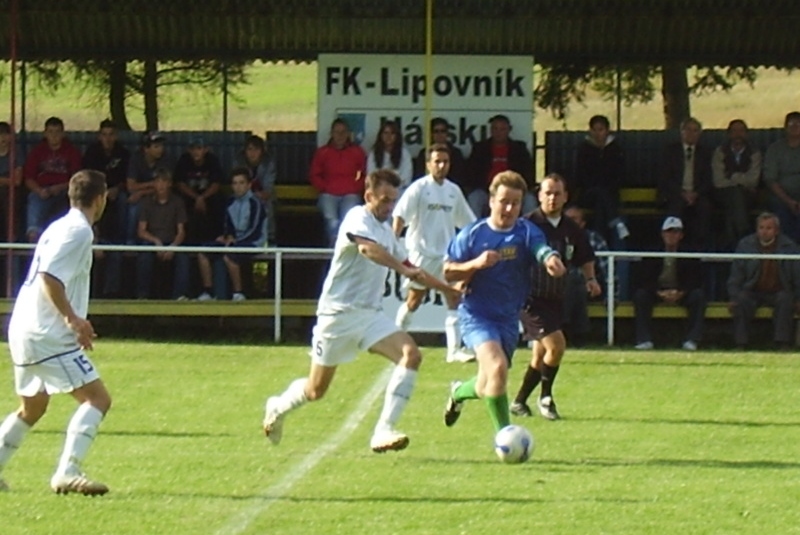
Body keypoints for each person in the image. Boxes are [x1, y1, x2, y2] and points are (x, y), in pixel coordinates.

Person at [263, 168, 459, 453]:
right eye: (384, 200)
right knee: (316, 390)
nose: (389, 206)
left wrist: (447, 289)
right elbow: (369, 251)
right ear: (369, 196)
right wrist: (402, 268)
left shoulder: (386, 231)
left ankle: (383, 430)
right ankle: (278, 407)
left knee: (411, 355)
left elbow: (414, 271)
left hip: (369, 315)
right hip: (337, 316)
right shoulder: (357, 217)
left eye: (393, 200)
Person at [0, 169, 111, 496]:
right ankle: (67, 471)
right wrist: (73, 319)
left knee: (32, 408)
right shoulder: (79, 231)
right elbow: (50, 276)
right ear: (100, 199)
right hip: (47, 332)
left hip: (23, 327)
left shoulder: (59, 226)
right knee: (98, 399)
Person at [442, 171, 565, 437]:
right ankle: (506, 436)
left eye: (516, 203)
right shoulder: (473, 234)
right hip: (477, 315)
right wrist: (475, 264)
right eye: (504, 201)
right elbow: (448, 271)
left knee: (488, 382)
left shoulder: (525, 231)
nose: (509, 208)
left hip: (508, 319)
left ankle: (458, 392)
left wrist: (550, 259)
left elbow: (540, 248)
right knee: (497, 368)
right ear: (491, 200)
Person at [508, 174, 601, 420]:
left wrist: (591, 279)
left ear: (565, 197)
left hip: (556, 298)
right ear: (539, 196)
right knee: (557, 345)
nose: (552, 198)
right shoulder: (527, 225)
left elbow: (585, 256)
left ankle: (518, 402)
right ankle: (546, 398)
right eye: (547, 193)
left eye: (557, 193)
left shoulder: (571, 228)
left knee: (540, 355)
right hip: (530, 298)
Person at [392, 143, 476, 363]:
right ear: (428, 164)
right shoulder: (418, 188)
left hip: (447, 256)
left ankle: (454, 350)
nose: (441, 165)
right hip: (421, 255)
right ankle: (395, 340)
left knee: (454, 296)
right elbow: (400, 216)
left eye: (445, 162)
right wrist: (392, 241)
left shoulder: (453, 191)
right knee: (414, 301)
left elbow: (467, 223)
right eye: (437, 161)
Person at [632, 216, 707, 350]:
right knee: (641, 295)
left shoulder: (690, 252)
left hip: (681, 291)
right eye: (668, 231)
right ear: (662, 234)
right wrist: (659, 292)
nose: (671, 235)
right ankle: (644, 340)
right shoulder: (652, 251)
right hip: (657, 291)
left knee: (698, 296)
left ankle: (692, 340)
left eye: (676, 232)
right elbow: (643, 278)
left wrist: (681, 292)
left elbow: (696, 278)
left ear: (681, 235)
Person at [727, 212, 800, 350]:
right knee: (741, 300)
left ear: (776, 230)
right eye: (761, 228)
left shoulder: (790, 247)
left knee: (786, 299)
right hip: (752, 290)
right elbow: (736, 275)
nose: (764, 232)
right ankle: (741, 344)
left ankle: (782, 343)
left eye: (768, 228)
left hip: (779, 290)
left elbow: (798, 276)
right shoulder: (745, 245)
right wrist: (733, 296)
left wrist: (799, 298)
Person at [196, 167, 267, 302]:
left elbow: (254, 230)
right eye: (235, 183)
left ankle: (238, 293)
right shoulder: (229, 202)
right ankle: (208, 292)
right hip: (233, 242)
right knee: (202, 252)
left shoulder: (256, 203)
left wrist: (235, 241)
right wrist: (226, 236)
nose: (238, 187)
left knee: (230, 256)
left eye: (241, 183)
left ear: (249, 185)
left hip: (253, 242)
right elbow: (227, 225)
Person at [82, 119, 130, 297]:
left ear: (115, 136)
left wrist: (116, 189)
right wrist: (100, 193)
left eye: (111, 135)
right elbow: (85, 179)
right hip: (95, 196)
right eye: (104, 135)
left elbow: (128, 180)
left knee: (126, 200)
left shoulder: (123, 154)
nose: (108, 139)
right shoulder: (92, 153)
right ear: (99, 136)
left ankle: (125, 239)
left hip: (116, 196)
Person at [561, 205, 615, 347]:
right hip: (557, 287)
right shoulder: (557, 238)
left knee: (575, 282)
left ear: (583, 223)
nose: (569, 222)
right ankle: (580, 334)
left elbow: (607, 269)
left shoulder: (594, 239)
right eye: (566, 219)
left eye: (574, 219)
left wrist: (612, 297)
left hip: (592, 286)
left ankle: (565, 329)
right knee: (573, 282)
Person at [309, 118, 367, 247]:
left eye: (343, 132)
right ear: (331, 134)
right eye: (336, 132)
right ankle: (333, 249)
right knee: (332, 221)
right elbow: (314, 174)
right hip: (328, 194)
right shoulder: (323, 152)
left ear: (348, 134)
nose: (340, 136)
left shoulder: (357, 152)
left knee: (348, 220)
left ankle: (346, 248)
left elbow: (365, 174)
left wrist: (355, 187)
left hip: (350, 194)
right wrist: (324, 188)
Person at [23, 117, 82, 243]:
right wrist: (39, 191)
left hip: (66, 192)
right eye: (50, 132)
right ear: (45, 133)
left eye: (57, 132)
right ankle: (33, 235)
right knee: (33, 198)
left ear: (63, 134)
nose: (54, 136)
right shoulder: (37, 152)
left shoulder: (72, 151)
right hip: (42, 192)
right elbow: (28, 178)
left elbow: (77, 178)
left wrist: (60, 187)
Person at [658, 117, 713, 249]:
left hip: (697, 195)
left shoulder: (705, 153)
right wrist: (682, 193)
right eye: (688, 130)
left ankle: (699, 248)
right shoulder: (670, 151)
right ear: (681, 132)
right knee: (675, 208)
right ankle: (672, 247)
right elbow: (665, 178)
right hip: (675, 194)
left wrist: (696, 194)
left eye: (695, 131)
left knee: (705, 209)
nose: (691, 134)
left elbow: (708, 179)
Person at [574, 114, 630, 246]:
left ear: (607, 130)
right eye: (595, 130)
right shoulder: (584, 149)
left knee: (601, 203)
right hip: (588, 193)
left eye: (601, 129)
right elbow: (581, 175)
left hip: (609, 194)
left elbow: (620, 175)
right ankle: (616, 221)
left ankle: (600, 240)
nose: (598, 133)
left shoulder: (616, 150)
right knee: (600, 194)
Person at [464, 114, 536, 217]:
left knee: (529, 200)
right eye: (495, 129)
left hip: (514, 189)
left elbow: (528, 172)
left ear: (509, 130)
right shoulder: (480, 148)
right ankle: (475, 230)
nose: (498, 132)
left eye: (502, 129)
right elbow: (471, 172)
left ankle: (529, 230)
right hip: (486, 190)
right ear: (491, 130)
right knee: (474, 198)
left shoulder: (519, 148)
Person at [135, 168, 190, 300]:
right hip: (152, 242)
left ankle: (180, 295)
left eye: (164, 181)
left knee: (183, 257)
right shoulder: (146, 202)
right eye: (157, 181)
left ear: (170, 183)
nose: (160, 185)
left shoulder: (178, 202)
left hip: (172, 242)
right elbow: (141, 230)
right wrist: (156, 242)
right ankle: (143, 295)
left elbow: (181, 232)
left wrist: (173, 246)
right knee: (144, 255)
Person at [712, 119, 763, 251]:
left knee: (735, 201)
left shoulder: (754, 152)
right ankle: (743, 235)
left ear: (746, 134)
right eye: (734, 131)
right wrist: (742, 180)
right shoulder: (720, 152)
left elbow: (754, 180)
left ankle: (730, 245)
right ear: (728, 134)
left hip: (749, 196)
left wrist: (732, 176)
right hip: (722, 195)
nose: (738, 134)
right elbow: (718, 181)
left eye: (741, 131)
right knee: (735, 195)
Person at [172, 137, 226, 244]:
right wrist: (197, 198)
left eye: (199, 148)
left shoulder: (212, 160)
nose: (196, 152)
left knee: (219, 201)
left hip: (209, 197)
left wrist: (202, 198)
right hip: (189, 198)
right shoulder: (184, 160)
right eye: (193, 149)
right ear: (189, 150)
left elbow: (216, 183)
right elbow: (180, 183)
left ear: (206, 149)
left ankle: (216, 238)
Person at [126, 131, 172, 244]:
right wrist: (152, 184)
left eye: (161, 146)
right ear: (146, 149)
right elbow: (131, 186)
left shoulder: (166, 159)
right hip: (143, 196)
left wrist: (142, 192)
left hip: (159, 195)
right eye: (156, 146)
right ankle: (129, 242)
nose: (160, 149)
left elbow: (166, 186)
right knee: (132, 207)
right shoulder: (136, 158)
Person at [764, 111, 800, 243]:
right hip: (781, 197)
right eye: (791, 123)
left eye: (798, 123)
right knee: (781, 217)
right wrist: (789, 202)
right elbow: (770, 179)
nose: (795, 126)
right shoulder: (775, 149)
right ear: (785, 127)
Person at [239, 134, 277, 245]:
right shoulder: (239, 161)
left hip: (263, 196)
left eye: (256, 149)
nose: (252, 153)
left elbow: (267, 189)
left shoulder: (269, 163)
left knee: (267, 205)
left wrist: (255, 196)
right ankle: (240, 235)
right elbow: (238, 185)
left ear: (262, 151)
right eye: (249, 149)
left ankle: (270, 238)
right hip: (242, 196)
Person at [412, 117, 467, 191]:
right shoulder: (424, 153)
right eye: (436, 131)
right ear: (430, 134)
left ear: (447, 133)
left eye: (443, 131)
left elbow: (460, 177)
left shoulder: (456, 153)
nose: (439, 134)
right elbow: (419, 176)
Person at [367, 120, 413, 194]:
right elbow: (371, 175)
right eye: (385, 133)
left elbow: (407, 178)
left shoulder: (404, 153)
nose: (388, 136)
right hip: (378, 190)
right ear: (381, 135)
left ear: (397, 136)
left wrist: (391, 187)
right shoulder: (373, 153)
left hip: (398, 190)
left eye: (392, 133)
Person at [0, 121, 23, 241]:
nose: (2, 138)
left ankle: (12, 238)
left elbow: (17, 181)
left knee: (8, 196)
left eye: (5, 134)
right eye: (0, 135)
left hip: (11, 194)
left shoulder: (16, 153)